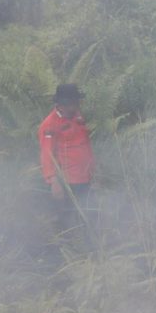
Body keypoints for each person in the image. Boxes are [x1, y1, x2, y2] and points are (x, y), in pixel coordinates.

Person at [38, 84, 96, 238]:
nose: (75, 107)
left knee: (89, 214)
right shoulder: (49, 125)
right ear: (60, 105)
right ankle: (66, 252)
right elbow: (46, 154)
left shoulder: (77, 116)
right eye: (71, 104)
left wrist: (94, 168)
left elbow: (84, 143)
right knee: (68, 220)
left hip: (85, 176)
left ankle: (88, 249)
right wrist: (54, 182)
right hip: (68, 182)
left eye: (76, 103)